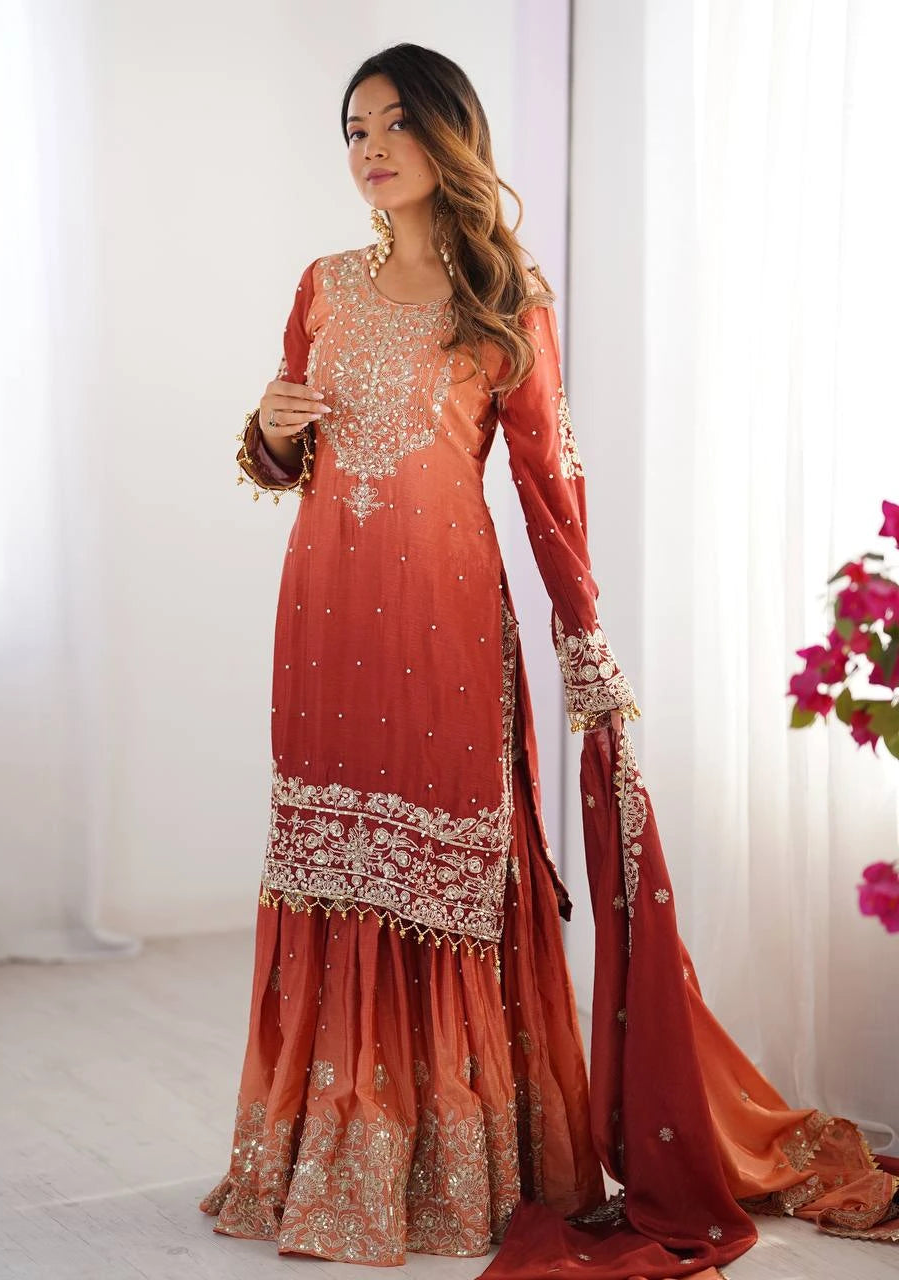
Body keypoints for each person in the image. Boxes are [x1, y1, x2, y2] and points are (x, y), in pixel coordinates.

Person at [199, 42, 899, 1276]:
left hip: (446, 632)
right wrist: (265, 428)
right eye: (353, 127)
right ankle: (325, 1156)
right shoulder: (320, 284)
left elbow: (545, 484)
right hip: (323, 623)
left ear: (448, 136)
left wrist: (586, 649)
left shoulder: (504, 297)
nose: (368, 147)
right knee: (333, 870)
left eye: (394, 123)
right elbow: (287, 455)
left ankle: (457, 1161)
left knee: (454, 883)